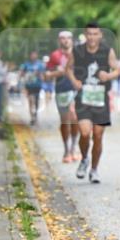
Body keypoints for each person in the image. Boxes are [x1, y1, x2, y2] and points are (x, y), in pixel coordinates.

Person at [66, 22, 120, 184]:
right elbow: (68, 68)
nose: (92, 37)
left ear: (100, 35)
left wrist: (108, 76)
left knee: (98, 135)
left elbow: (117, 70)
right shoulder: (77, 50)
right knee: (84, 133)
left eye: (95, 34)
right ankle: (84, 159)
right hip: (83, 98)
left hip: (100, 99)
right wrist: (74, 81)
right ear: (85, 34)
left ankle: (94, 169)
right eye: (89, 34)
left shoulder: (107, 51)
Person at [46, 31, 80, 162]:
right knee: (65, 121)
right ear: (59, 41)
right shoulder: (54, 56)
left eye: (68, 38)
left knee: (75, 117)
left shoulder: (78, 54)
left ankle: (74, 147)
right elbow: (46, 75)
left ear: (72, 40)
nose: (65, 40)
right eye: (63, 38)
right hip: (62, 90)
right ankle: (66, 149)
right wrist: (57, 73)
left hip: (76, 89)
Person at [19, 51, 45, 125]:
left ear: (37, 55)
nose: (33, 56)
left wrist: (39, 74)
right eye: (32, 55)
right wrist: (24, 76)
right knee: (31, 100)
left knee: (36, 101)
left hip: (37, 85)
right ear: (30, 56)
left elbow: (43, 76)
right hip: (29, 85)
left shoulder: (40, 64)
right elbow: (21, 73)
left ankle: (35, 115)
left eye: (35, 55)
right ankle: (32, 117)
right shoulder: (26, 64)